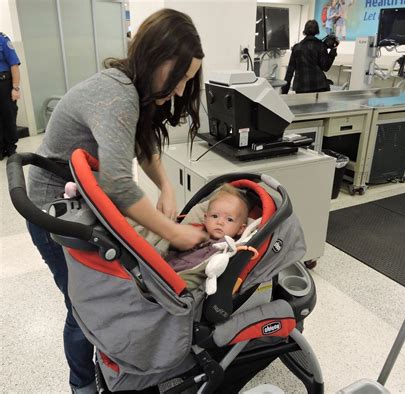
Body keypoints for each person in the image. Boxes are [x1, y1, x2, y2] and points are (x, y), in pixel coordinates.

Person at [26, 9, 208, 394]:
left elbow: (143, 144)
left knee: (98, 301)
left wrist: (167, 189)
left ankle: (108, 370)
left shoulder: (132, 91)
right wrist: (176, 233)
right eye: (179, 79)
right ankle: (82, 386)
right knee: (84, 308)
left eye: (187, 82)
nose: (179, 91)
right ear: (159, 56)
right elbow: (120, 188)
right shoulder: (116, 93)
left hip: (79, 205)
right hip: (54, 213)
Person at [166, 184, 249, 279]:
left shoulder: (228, 249)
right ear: (205, 218)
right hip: (165, 266)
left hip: (184, 278)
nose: (220, 222)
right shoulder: (194, 231)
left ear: (240, 229)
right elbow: (172, 246)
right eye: (214, 216)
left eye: (229, 219)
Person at [281, 19, 337, 94]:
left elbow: (290, 71)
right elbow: (325, 67)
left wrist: (284, 92)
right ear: (317, 31)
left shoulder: (296, 48)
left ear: (305, 31)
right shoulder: (321, 46)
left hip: (301, 87)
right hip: (320, 85)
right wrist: (333, 51)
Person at [0, 32, 21, 160]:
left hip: (4, 84)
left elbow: (14, 64)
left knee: (9, 115)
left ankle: (11, 147)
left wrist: (15, 88)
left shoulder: (3, 40)